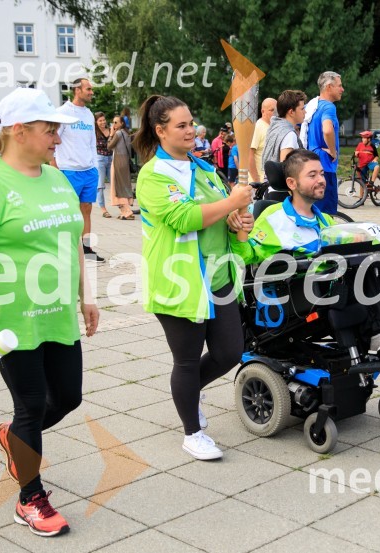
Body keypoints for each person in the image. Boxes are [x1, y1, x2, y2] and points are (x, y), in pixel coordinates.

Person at [0, 88, 99, 537]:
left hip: (57, 313)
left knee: (69, 398)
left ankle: (15, 438)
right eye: (49, 129)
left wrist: (86, 296)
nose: (57, 138)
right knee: (32, 403)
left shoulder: (56, 179)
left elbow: (72, 242)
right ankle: (29, 498)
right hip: (13, 319)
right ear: (19, 131)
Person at [133, 95, 253, 460]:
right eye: (181, 126)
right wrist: (231, 203)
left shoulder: (203, 168)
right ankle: (193, 432)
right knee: (186, 360)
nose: (190, 131)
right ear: (160, 131)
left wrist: (239, 223)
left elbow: (223, 215)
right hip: (180, 281)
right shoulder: (153, 175)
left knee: (230, 352)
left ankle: (188, 392)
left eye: (191, 123)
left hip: (218, 276)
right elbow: (184, 218)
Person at [232, 149, 380, 358]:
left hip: (334, 283)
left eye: (322, 174)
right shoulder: (274, 218)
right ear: (291, 183)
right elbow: (246, 256)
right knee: (357, 271)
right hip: (300, 291)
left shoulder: (325, 219)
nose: (321, 180)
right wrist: (237, 231)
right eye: (312, 175)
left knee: (370, 257)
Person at [53, 78, 104, 262]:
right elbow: (53, 140)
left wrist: (95, 167)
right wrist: (55, 169)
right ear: (77, 89)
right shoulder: (62, 113)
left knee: (86, 209)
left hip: (88, 171)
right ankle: (66, 249)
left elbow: (92, 143)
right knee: (68, 211)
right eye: (88, 89)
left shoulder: (89, 114)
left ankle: (87, 249)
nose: (91, 92)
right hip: (69, 170)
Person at [304, 71, 344, 215]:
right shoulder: (328, 107)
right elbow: (327, 130)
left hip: (310, 163)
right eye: (339, 86)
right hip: (325, 167)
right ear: (329, 87)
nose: (342, 89)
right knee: (327, 216)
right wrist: (332, 151)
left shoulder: (311, 106)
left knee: (313, 212)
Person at [261, 89, 307, 178]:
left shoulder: (275, 127)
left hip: (271, 185)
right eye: (302, 109)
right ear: (291, 112)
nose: (305, 112)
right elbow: (285, 168)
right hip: (283, 189)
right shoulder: (289, 134)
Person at [108, 115, 135, 220]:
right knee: (123, 185)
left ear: (122, 123)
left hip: (118, 161)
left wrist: (111, 135)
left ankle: (127, 212)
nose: (114, 125)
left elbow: (109, 146)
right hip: (124, 161)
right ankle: (125, 211)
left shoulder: (118, 133)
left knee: (118, 186)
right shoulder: (126, 133)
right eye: (113, 122)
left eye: (116, 123)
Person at [249, 98, 276, 182]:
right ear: (263, 111)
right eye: (271, 110)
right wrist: (256, 180)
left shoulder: (273, 127)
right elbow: (249, 155)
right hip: (259, 182)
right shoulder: (258, 127)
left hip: (269, 181)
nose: (275, 113)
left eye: (277, 110)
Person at [94, 112, 112, 218]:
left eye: (104, 120)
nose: (103, 122)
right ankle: (103, 209)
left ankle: (122, 206)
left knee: (114, 184)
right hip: (99, 159)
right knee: (100, 185)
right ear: (96, 122)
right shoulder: (94, 132)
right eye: (100, 120)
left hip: (111, 159)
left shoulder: (110, 131)